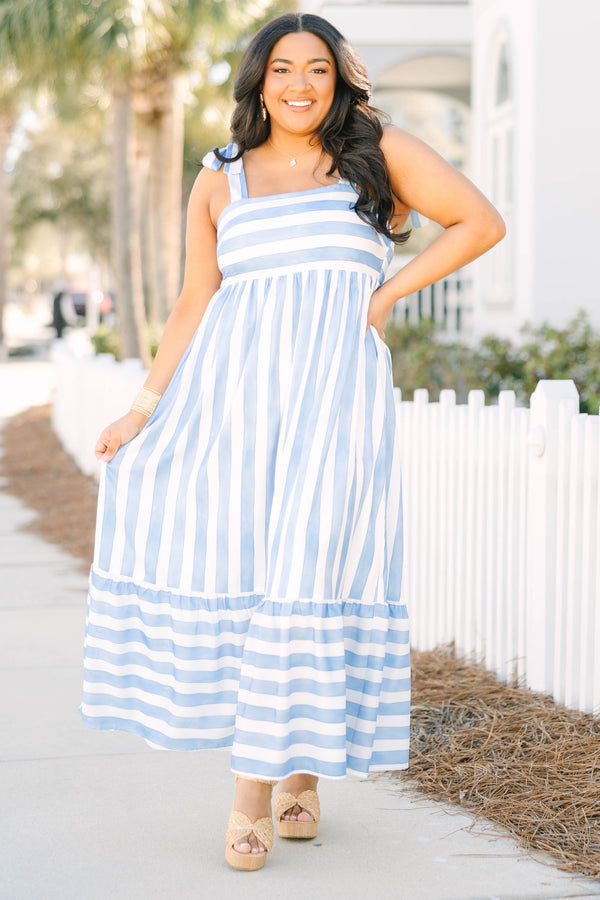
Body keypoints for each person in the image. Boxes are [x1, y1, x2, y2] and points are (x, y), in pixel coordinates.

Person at [80, 12, 505, 872]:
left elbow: (479, 223)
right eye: (283, 69)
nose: (301, 84)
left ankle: (251, 800)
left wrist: (386, 295)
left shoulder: (379, 153)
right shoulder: (219, 178)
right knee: (262, 579)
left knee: (311, 577)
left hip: (337, 407)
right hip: (232, 408)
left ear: (339, 79)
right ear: (259, 81)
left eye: (318, 69)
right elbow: (196, 301)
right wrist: (144, 407)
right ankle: (301, 774)